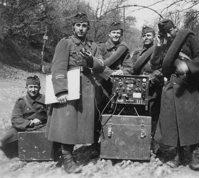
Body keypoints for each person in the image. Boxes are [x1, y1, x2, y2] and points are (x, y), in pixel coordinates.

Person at [45, 13, 106, 174]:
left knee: (80, 125)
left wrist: (91, 60)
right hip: (69, 87)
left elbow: (101, 65)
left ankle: (69, 153)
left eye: (84, 25)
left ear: (88, 27)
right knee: (68, 124)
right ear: (73, 27)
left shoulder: (93, 46)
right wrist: (60, 90)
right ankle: (67, 159)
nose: (81, 28)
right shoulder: (65, 43)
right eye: (78, 25)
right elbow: (57, 67)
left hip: (86, 89)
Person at [153, 19, 199, 171]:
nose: (169, 34)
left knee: (192, 121)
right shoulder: (165, 44)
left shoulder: (188, 38)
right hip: (172, 86)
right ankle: (178, 155)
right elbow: (154, 65)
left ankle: (193, 156)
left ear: (175, 28)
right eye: (165, 33)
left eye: (170, 31)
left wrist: (188, 66)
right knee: (173, 122)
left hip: (190, 86)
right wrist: (158, 46)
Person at [0, 75, 47, 153]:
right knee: (4, 140)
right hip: (24, 126)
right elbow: (15, 119)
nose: (33, 90)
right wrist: (30, 123)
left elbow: (51, 114)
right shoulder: (20, 101)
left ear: (39, 88)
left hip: (42, 126)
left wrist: (40, 119)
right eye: (30, 87)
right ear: (26, 88)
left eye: (35, 87)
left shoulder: (46, 100)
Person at [131, 26, 164, 137]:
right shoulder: (136, 53)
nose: (146, 38)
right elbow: (132, 69)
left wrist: (153, 76)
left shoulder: (160, 50)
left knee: (153, 115)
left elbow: (163, 68)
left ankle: (153, 142)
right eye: (144, 36)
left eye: (148, 35)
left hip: (154, 88)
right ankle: (139, 140)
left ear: (154, 37)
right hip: (139, 89)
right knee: (138, 113)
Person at [98, 21, 133, 98]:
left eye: (118, 33)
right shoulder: (101, 47)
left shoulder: (123, 48)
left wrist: (123, 72)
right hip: (103, 81)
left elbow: (129, 67)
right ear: (109, 34)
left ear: (121, 34)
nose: (116, 35)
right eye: (113, 32)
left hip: (119, 82)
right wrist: (110, 73)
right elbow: (98, 65)